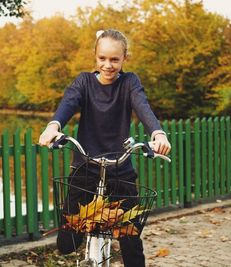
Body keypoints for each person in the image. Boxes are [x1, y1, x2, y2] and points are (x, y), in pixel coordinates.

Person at [39, 29, 171, 267]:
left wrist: (157, 133)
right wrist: (53, 126)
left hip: (120, 169)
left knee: (131, 239)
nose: (108, 65)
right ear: (95, 56)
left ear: (124, 59)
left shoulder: (130, 82)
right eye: (102, 59)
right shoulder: (84, 82)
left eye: (114, 59)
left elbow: (142, 105)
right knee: (66, 243)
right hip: (85, 168)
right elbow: (69, 101)